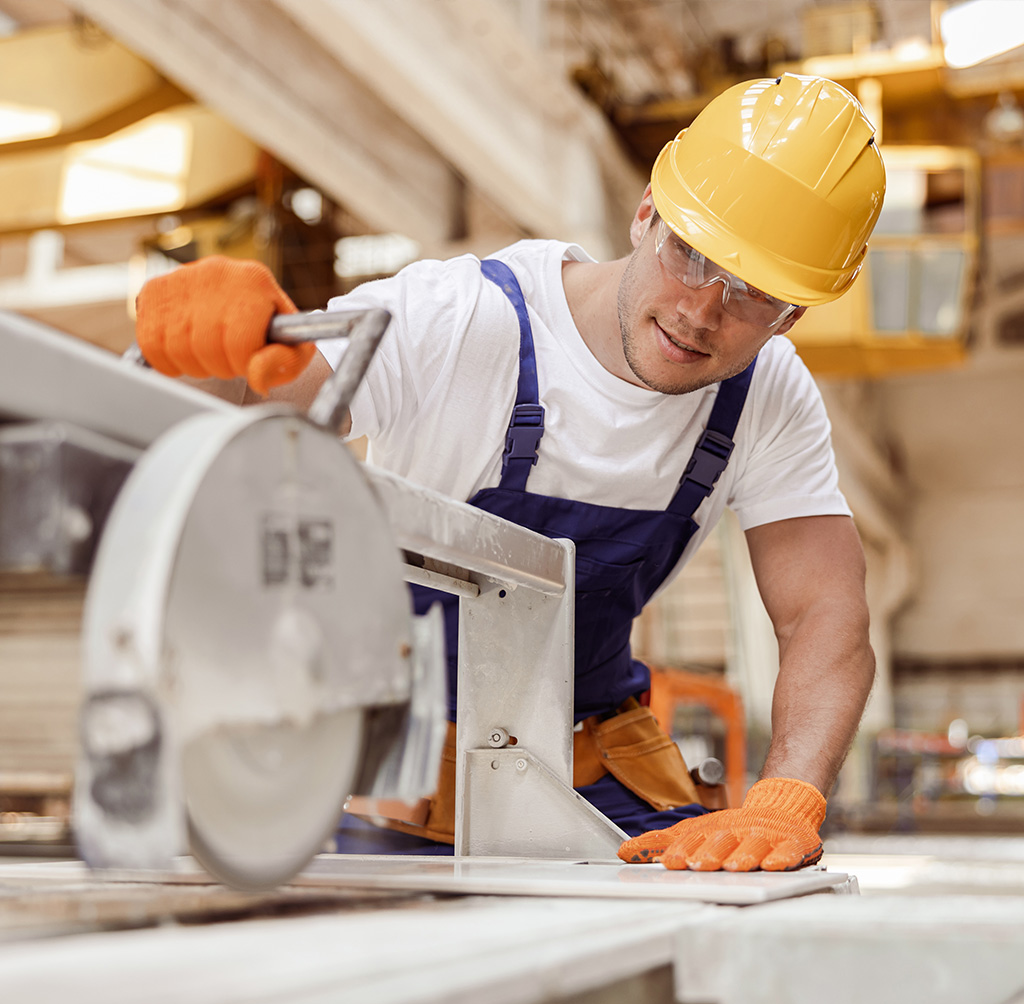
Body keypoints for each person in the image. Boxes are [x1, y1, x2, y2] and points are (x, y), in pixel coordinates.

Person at [135, 73, 885, 871]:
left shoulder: (766, 395)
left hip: (588, 766)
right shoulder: (460, 317)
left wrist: (786, 798)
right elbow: (252, 409)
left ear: (792, 316)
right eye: (690, 253)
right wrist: (212, 350)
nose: (700, 310)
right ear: (645, 214)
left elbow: (823, 612)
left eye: (752, 295)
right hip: (387, 771)